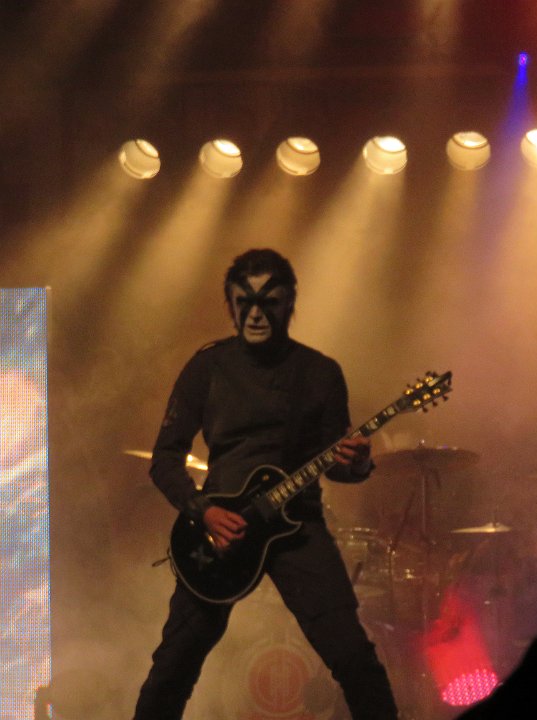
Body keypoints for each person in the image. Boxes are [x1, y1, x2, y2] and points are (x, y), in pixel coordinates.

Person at [132, 248, 397, 720]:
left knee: (354, 658)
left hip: (298, 528)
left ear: (289, 302)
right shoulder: (207, 367)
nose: (255, 314)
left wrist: (357, 463)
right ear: (230, 305)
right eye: (245, 302)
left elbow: (336, 464)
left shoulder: (321, 372)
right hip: (220, 530)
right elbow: (165, 459)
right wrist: (202, 511)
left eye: (268, 302)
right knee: (173, 667)